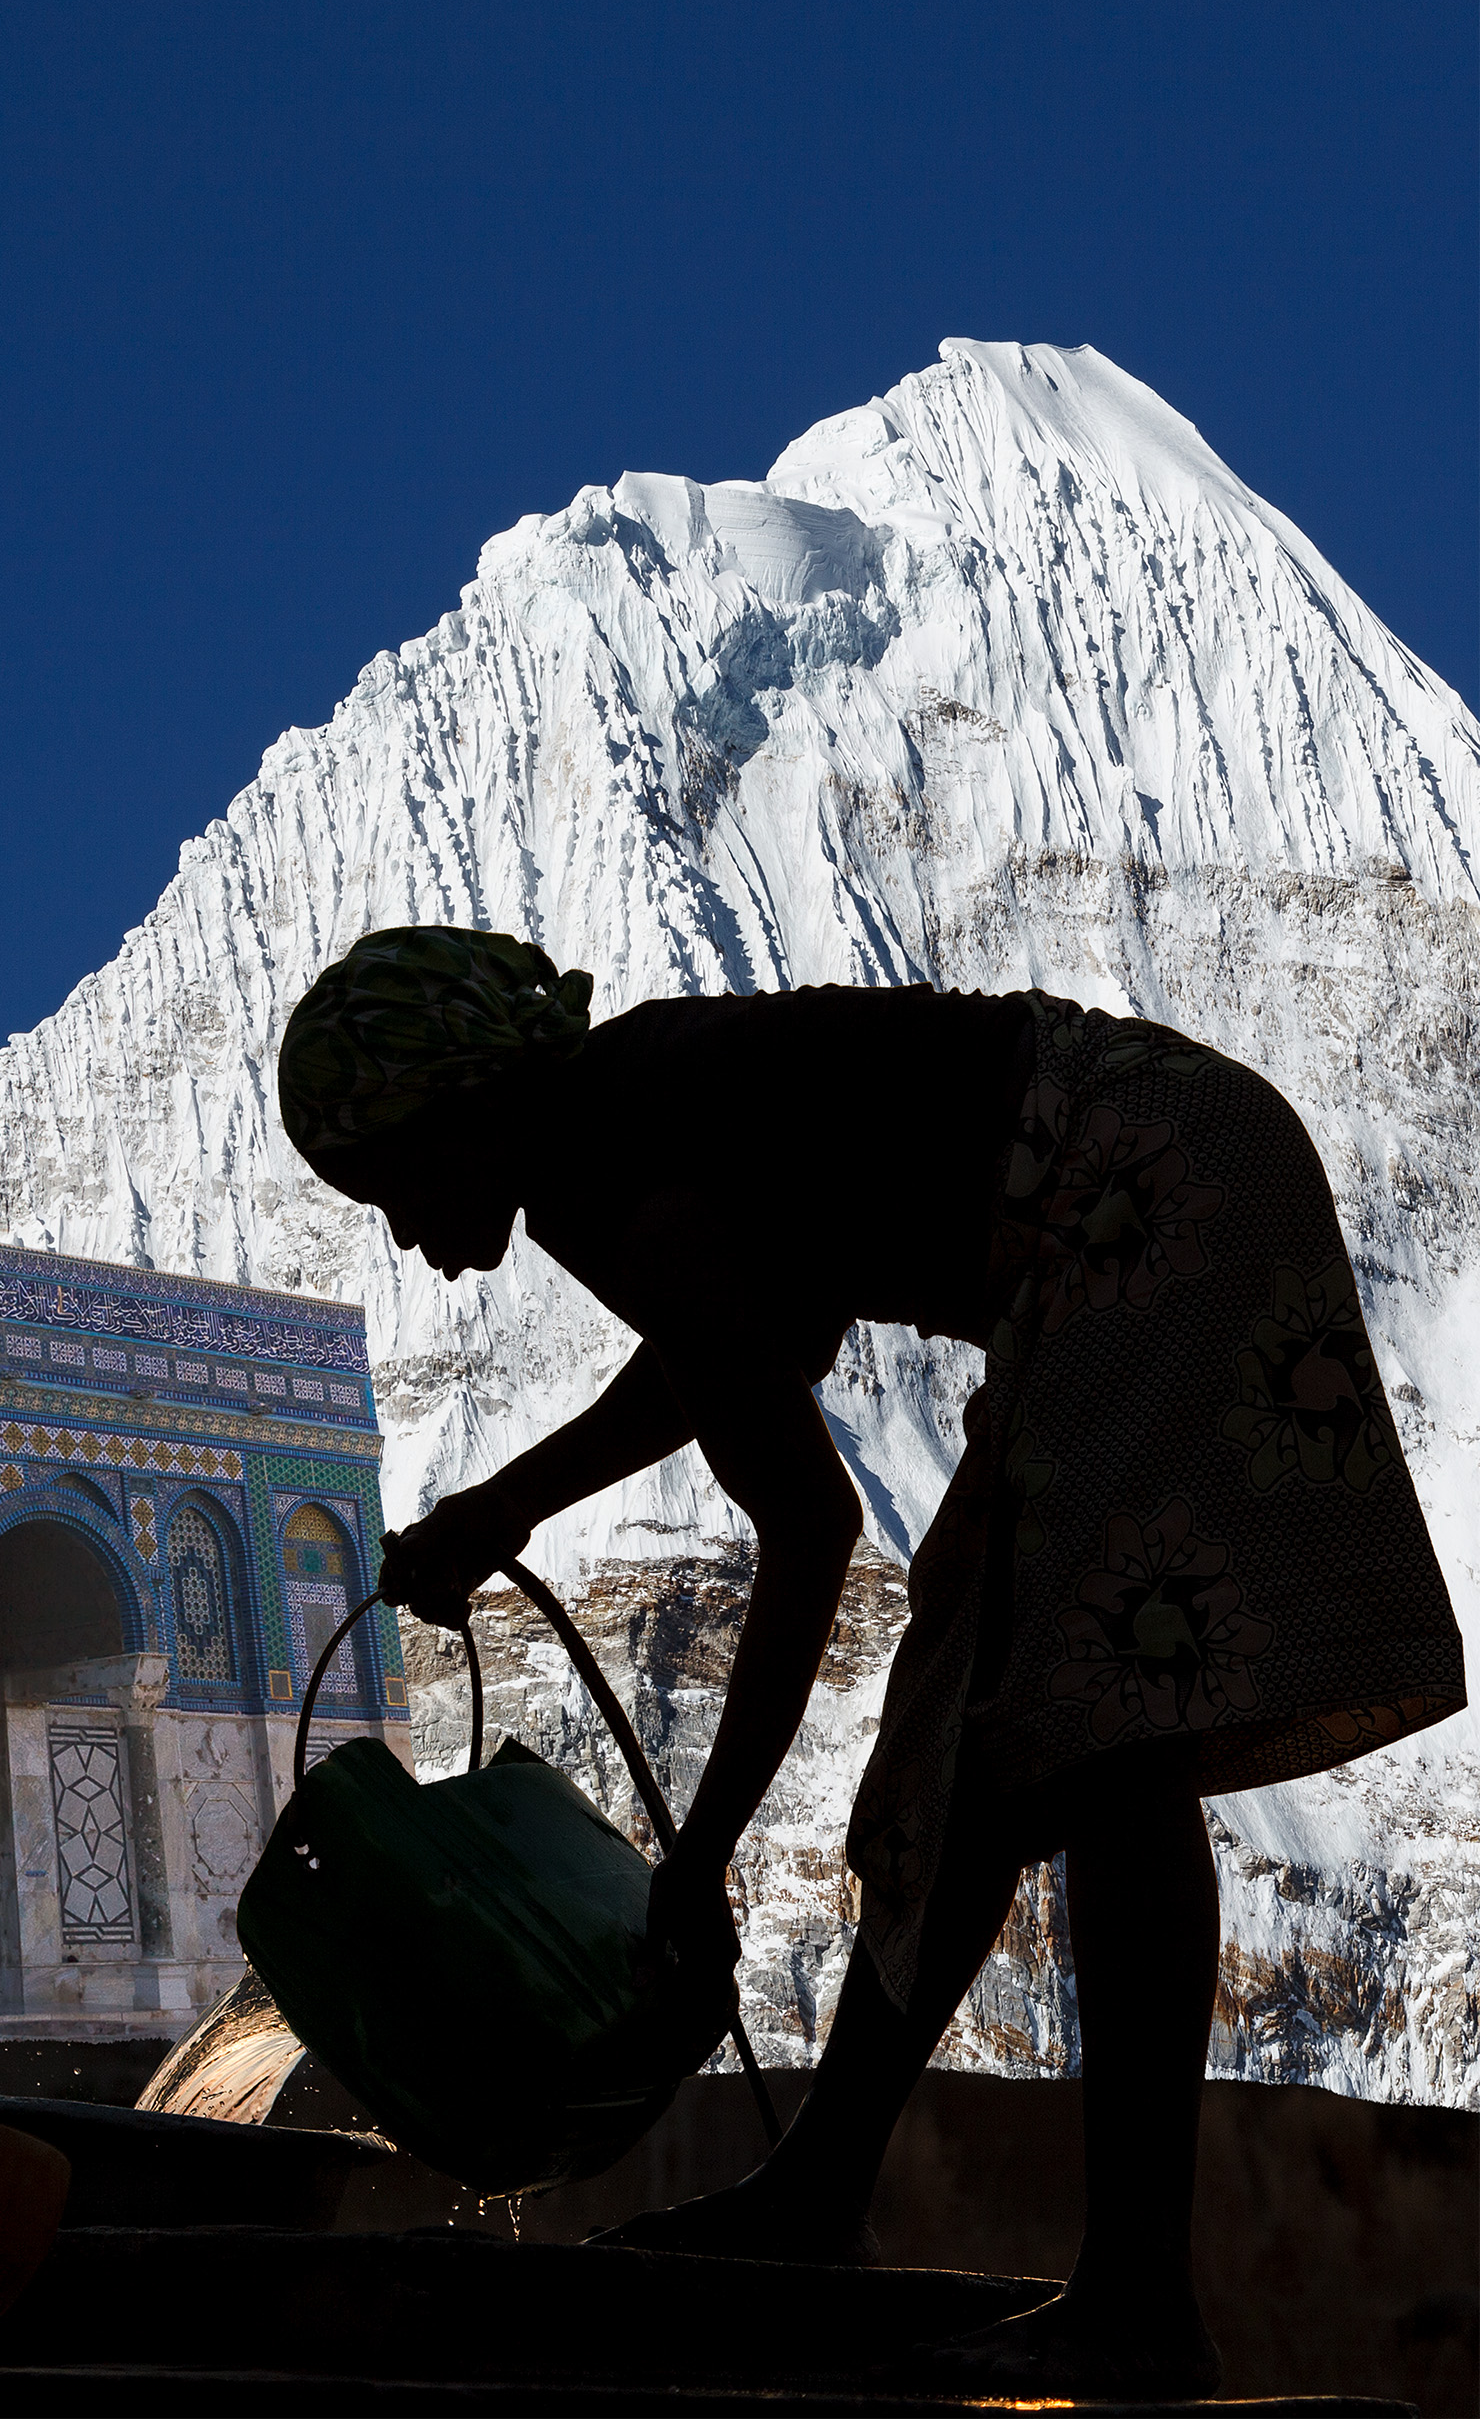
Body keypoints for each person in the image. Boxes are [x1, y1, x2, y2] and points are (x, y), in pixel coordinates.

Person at [277, 926, 1464, 2400]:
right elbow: (724, 1347)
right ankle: (820, 2193)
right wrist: (503, 1507)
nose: (402, 1232)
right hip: (1136, 1187)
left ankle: (1140, 2301)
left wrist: (696, 1858)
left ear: (459, 1108)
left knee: (1111, 1732)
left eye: (391, 1184)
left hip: (1138, 1195)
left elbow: (807, 1518)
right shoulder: (632, 1115)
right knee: (972, 1728)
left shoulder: (614, 1159)